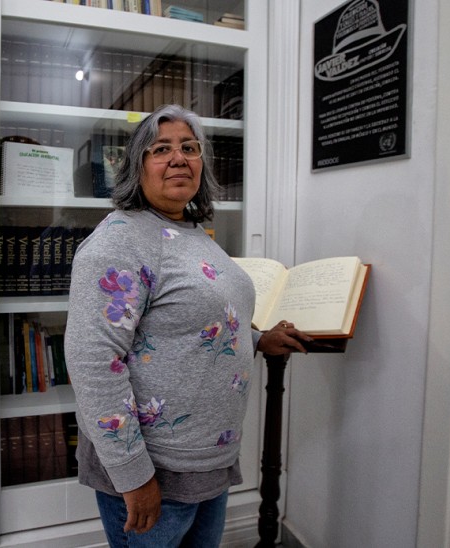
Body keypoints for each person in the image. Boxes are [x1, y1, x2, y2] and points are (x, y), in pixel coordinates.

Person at [64, 103, 312, 547]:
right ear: (136, 166)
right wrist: (132, 475)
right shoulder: (120, 240)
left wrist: (258, 340)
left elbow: (193, 322)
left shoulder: (193, 233)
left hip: (205, 462)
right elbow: (94, 362)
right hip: (154, 470)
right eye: (161, 148)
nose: (179, 157)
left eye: (189, 147)